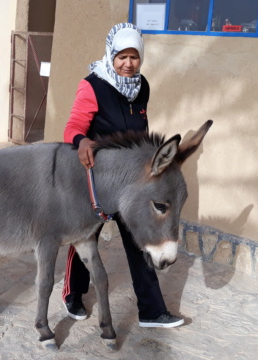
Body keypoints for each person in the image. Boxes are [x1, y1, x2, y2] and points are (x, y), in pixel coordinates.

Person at [62, 23, 184, 328]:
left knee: (138, 239)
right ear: (111, 56)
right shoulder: (92, 86)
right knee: (85, 237)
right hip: (98, 180)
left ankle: (152, 311)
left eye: (134, 57)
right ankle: (73, 294)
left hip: (132, 183)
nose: (128, 63)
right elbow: (73, 126)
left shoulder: (141, 87)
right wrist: (81, 142)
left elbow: (140, 132)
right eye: (121, 57)